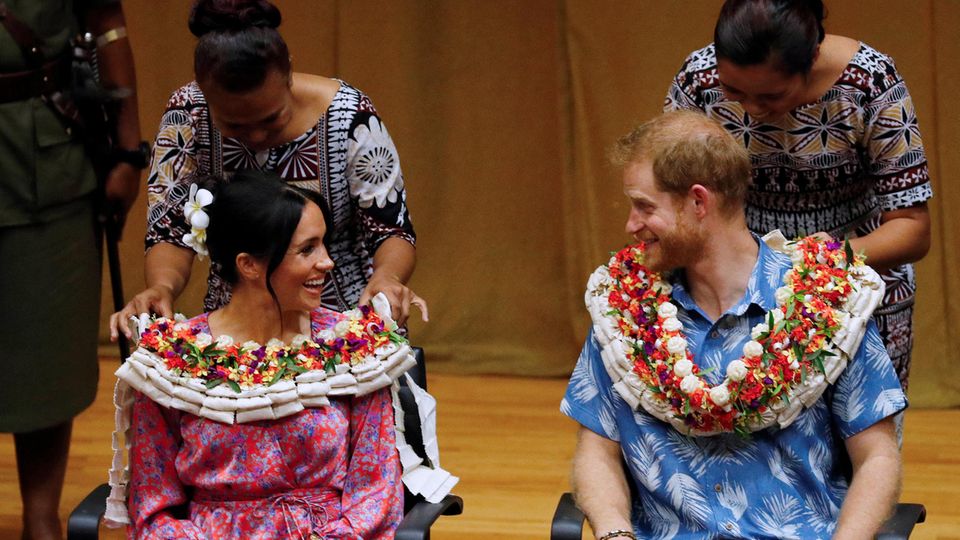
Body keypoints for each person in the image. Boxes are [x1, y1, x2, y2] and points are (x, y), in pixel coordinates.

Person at [562, 111, 905, 539]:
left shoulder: (829, 304)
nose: (630, 225)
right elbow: (598, 449)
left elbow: (877, 456)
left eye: (644, 207)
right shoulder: (622, 308)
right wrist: (614, 532)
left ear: (698, 202)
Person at [114, 170, 406, 538]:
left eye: (324, 244)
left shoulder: (353, 348)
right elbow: (152, 503)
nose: (327, 262)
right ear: (249, 264)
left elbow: (377, 490)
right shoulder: (175, 360)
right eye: (307, 249)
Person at [111, 0, 423, 341]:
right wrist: (162, 286)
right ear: (203, 91)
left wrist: (387, 278)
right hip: (235, 335)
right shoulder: (188, 115)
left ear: (288, 71)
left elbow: (391, 229)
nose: (257, 137)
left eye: (272, 118)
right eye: (234, 125)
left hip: (346, 325)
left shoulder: (349, 116)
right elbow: (170, 232)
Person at [664, 0, 932, 394]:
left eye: (772, 95)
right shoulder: (698, 81)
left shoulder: (871, 82)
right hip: (735, 293)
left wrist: (829, 257)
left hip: (854, 288)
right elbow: (673, 198)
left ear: (812, 58)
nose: (753, 110)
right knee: (748, 445)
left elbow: (912, 229)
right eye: (734, 91)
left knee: (864, 447)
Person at [0, 1, 143, 538]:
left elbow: (108, 24)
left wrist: (129, 154)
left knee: (47, 352)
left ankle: (41, 515)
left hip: (48, 164)